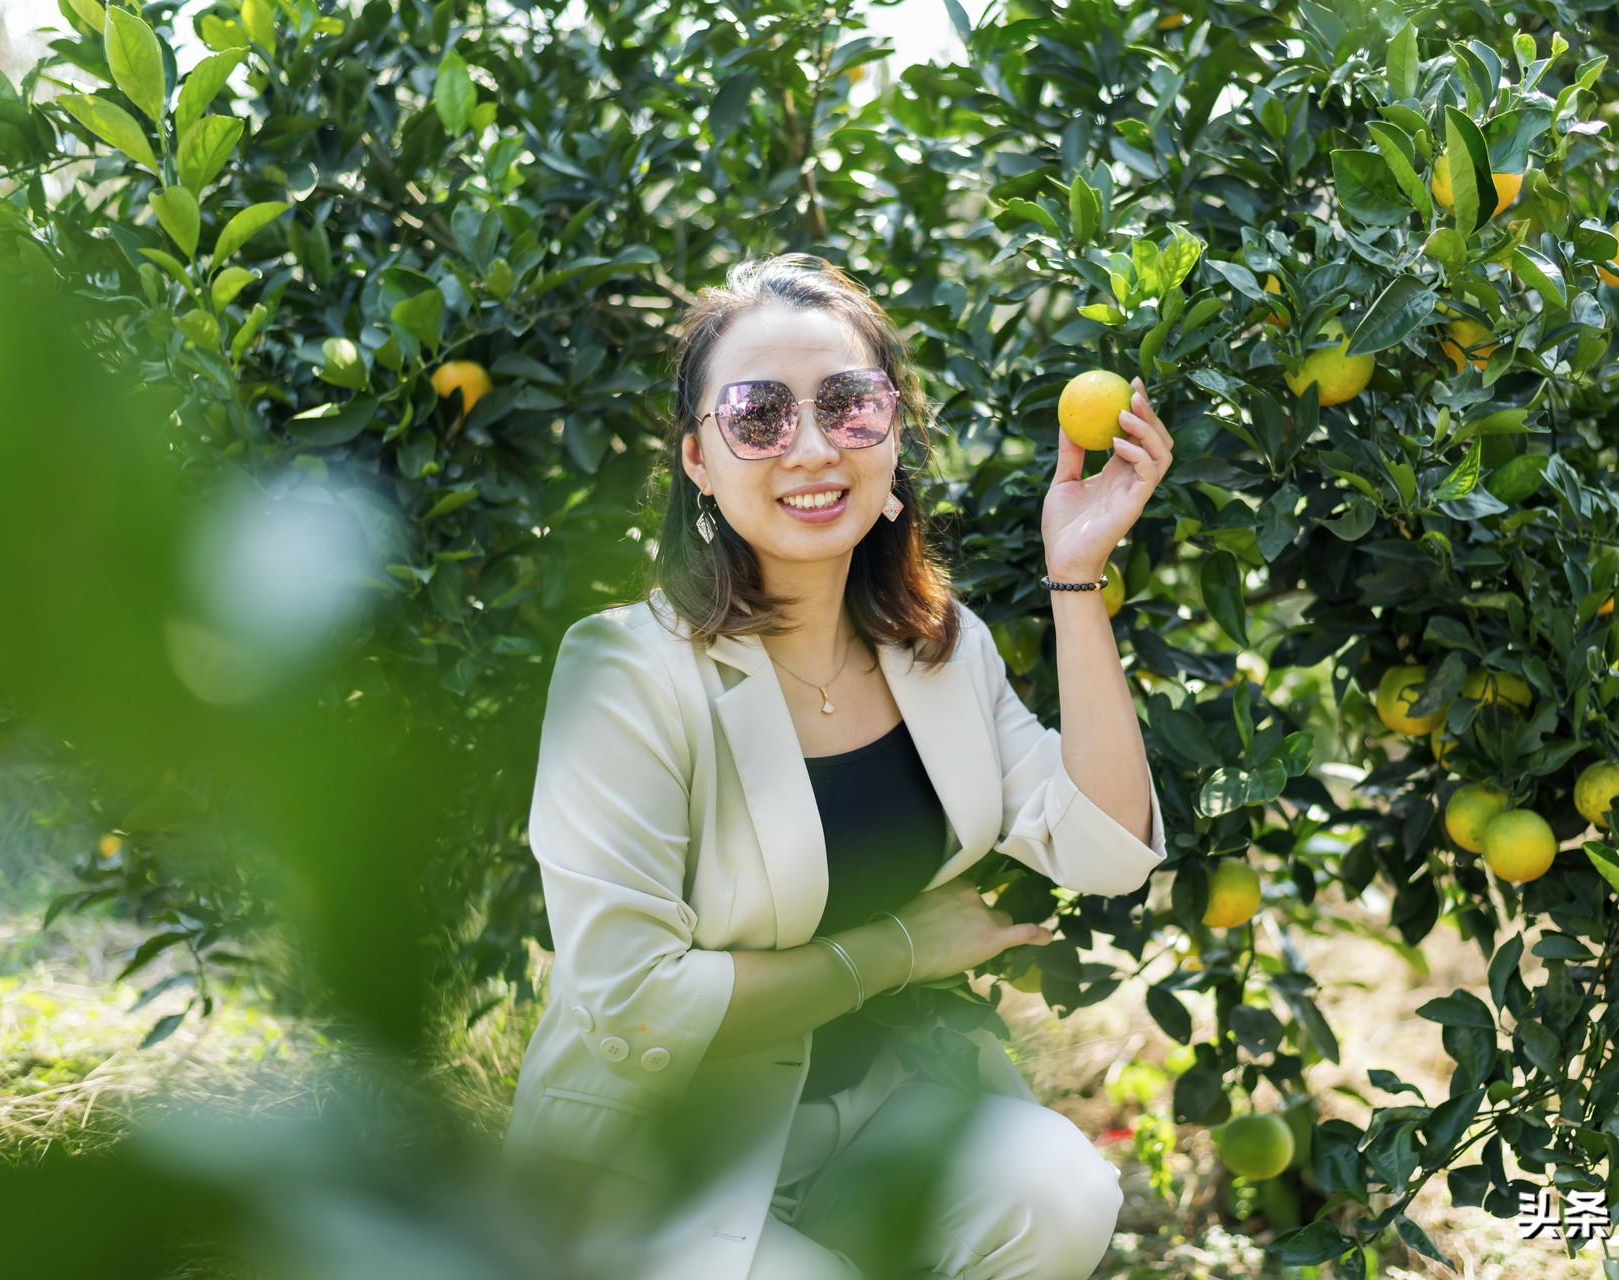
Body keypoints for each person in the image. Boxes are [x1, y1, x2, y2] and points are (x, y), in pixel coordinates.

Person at [499, 253, 1174, 1280]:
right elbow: (634, 1000)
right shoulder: (628, 671)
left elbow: (1109, 848)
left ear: (892, 430)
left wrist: (1075, 576)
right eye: (758, 416)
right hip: (662, 1160)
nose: (811, 446)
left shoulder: (937, 650)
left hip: (879, 1120)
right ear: (697, 460)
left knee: (1058, 1191)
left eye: (849, 406)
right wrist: (897, 947)